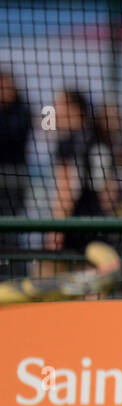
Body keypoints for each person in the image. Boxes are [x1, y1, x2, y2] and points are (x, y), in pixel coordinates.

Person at [45, 90, 118, 277]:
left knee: (49, 282)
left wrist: (56, 231)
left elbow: (66, 191)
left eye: (59, 106)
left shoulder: (67, 144)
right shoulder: (99, 140)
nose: (55, 112)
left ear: (74, 109)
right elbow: (109, 193)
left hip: (73, 226)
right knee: (94, 287)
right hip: (98, 225)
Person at [0, 69, 32, 279]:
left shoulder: (21, 112)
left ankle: (16, 278)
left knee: (11, 235)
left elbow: (11, 135)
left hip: (12, 187)